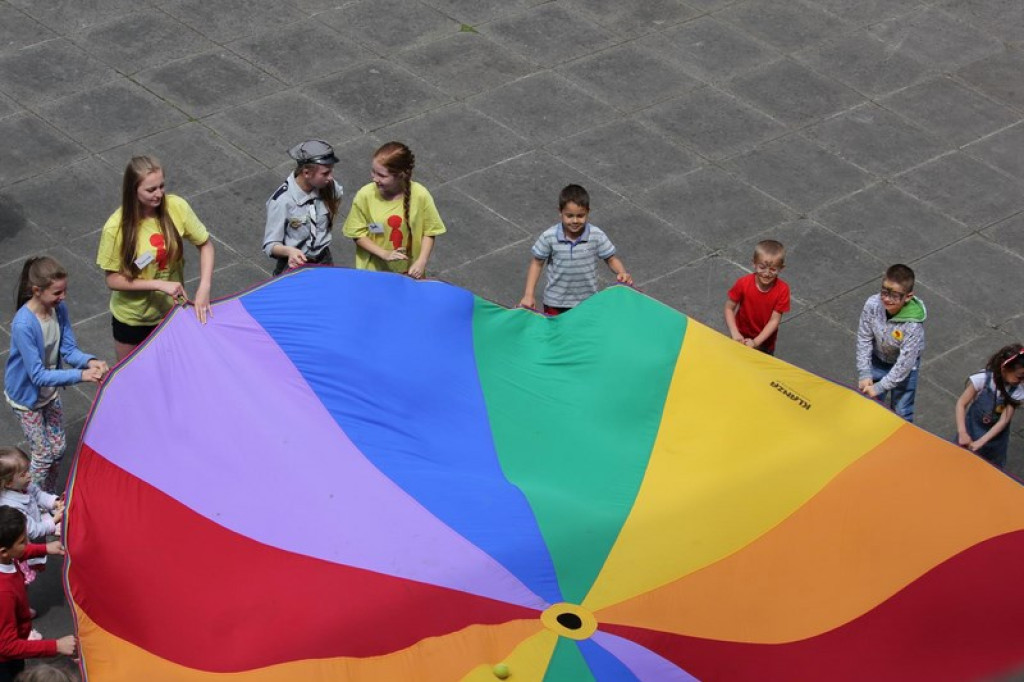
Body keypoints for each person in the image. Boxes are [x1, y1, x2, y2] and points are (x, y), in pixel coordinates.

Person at [96, 156, 215, 361]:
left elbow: (205, 245)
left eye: (161, 186)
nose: (159, 194)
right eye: (151, 190)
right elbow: (112, 279)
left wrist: (204, 287)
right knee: (136, 382)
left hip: (171, 313)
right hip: (133, 320)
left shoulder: (176, 207)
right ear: (133, 191)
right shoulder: (116, 228)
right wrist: (160, 284)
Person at [4, 257, 107, 492]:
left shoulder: (58, 309)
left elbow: (68, 349)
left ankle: (47, 498)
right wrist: (81, 375)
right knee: (42, 457)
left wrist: (90, 361)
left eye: (64, 290)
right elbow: (37, 375)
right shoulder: (23, 324)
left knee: (58, 450)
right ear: (37, 291)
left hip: (48, 392)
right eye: (57, 292)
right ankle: (28, 502)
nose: (63, 297)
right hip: (27, 399)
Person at [518, 184, 632, 315]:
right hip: (555, 302)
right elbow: (537, 264)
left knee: (585, 335)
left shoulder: (596, 235)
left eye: (580, 215)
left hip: (588, 302)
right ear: (560, 212)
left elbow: (611, 259)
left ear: (588, 212)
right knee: (557, 334)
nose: (575, 220)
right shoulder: (549, 236)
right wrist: (528, 294)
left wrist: (622, 272)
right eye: (569, 215)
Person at [341, 142, 445, 279]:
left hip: (410, 273)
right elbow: (357, 233)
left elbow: (430, 231)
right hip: (374, 273)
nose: (374, 178)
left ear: (400, 175)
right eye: (373, 171)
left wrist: (421, 261)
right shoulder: (365, 195)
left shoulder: (420, 195)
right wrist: (384, 254)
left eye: (381, 175)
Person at [0, 507, 75, 682]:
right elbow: (6, 646)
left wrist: (44, 548)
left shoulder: (7, 557)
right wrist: (56, 646)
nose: (27, 543)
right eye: (22, 541)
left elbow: (18, 553)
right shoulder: (4, 593)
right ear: (3, 551)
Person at [263, 140, 344, 275]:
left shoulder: (328, 187)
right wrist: (290, 251)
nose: (330, 178)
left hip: (324, 260)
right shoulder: (282, 201)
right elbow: (270, 245)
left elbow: (337, 195)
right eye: (325, 173)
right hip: (294, 265)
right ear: (306, 173)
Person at [856, 264, 926, 422]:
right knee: (868, 402)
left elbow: (905, 364)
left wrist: (880, 386)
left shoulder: (913, 326)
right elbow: (864, 338)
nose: (887, 299)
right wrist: (864, 372)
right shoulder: (872, 305)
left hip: (904, 366)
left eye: (894, 295)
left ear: (908, 296)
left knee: (902, 410)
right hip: (878, 357)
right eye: (884, 291)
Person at [954, 344, 1024, 470]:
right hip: (971, 430)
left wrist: (982, 441)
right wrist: (962, 432)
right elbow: (961, 403)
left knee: (988, 469)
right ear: (1004, 369)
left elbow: (1004, 420)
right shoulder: (983, 379)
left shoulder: (1016, 391)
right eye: (1019, 377)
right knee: (959, 464)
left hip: (994, 441)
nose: (1021, 381)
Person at [0, 449, 60, 579]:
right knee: (25, 571)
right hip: (24, 547)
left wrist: (54, 502)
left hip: (32, 534)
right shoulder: (12, 507)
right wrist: (54, 521)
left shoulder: (22, 485)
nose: (29, 475)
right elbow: (33, 530)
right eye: (23, 474)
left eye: (28, 470)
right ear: (9, 483)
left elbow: (38, 494)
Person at [724, 239, 790, 355]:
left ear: (781, 268)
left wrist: (756, 342)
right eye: (762, 267)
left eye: (773, 269)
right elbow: (729, 308)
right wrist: (734, 333)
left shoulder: (783, 290)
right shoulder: (743, 283)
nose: (767, 273)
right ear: (754, 263)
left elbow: (774, 321)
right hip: (740, 336)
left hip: (765, 343)